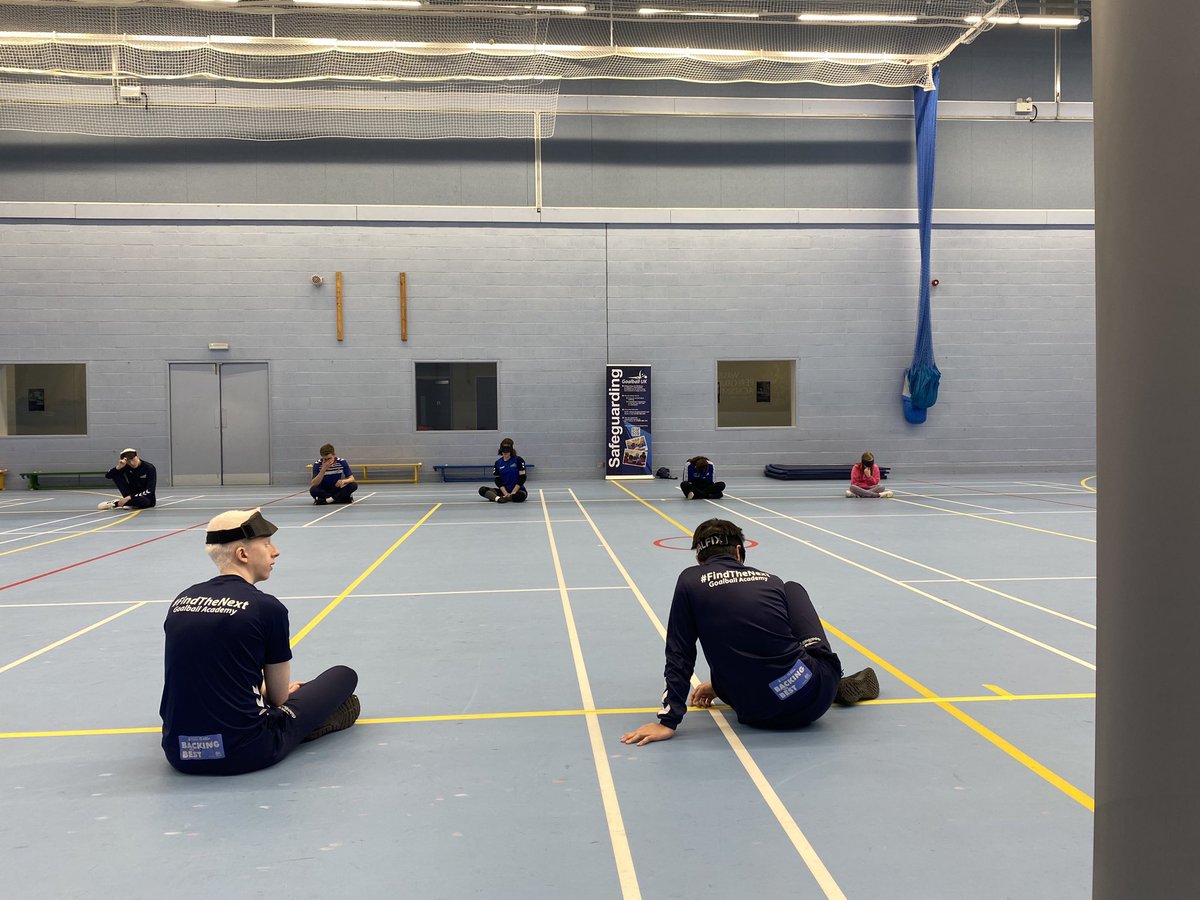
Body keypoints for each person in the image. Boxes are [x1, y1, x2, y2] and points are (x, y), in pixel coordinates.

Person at [620, 518, 879, 746]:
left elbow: (680, 653)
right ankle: (834, 682)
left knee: (733, 647)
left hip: (754, 711)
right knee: (793, 588)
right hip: (812, 700)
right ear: (739, 552)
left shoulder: (690, 580)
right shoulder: (771, 581)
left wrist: (668, 721)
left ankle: (724, 685)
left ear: (699, 559)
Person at [159, 508, 360, 775]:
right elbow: (278, 697)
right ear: (243, 555)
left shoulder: (182, 600)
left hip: (178, 751)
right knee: (344, 677)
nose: (275, 552)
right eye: (266, 545)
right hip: (247, 751)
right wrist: (272, 691)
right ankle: (302, 728)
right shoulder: (266, 607)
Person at [478, 437, 528, 503]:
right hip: (503, 491)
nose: (505, 452)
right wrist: (505, 493)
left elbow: (522, 477)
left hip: (518, 490)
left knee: (520, 497)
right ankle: (498, 499)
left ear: (511, 450)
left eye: (507, 450)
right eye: (503, 450)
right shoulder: (498, 463)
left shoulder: (518, 460)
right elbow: (498, 480)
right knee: (482, 490)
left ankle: (509, 497)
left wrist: (513, 492)